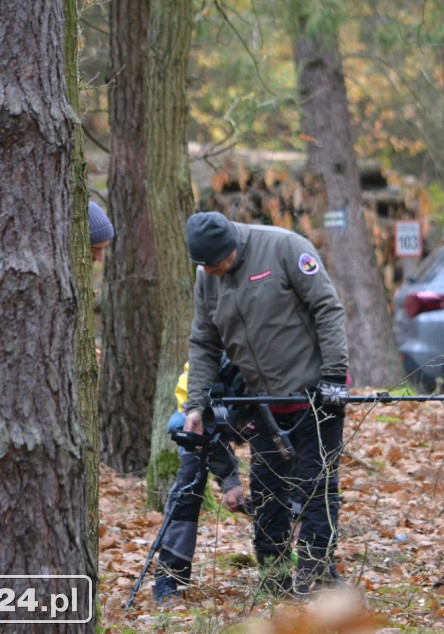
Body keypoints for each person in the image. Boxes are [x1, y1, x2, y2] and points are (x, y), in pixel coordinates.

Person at [181, 211, 350, 599]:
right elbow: (204, 342)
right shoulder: (207, 278)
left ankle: (315, 584)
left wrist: (334, 379)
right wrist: (196, 405)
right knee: (269, 497)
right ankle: (275, 585)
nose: (213, 272)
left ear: (233, 248)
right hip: (262, 405)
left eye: (217, 263)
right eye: (205, 266)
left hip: (313, 398)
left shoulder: (285, 248)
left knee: (315, 491)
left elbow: (328, 309)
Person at [153, 356, 248, 604]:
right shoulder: (203, 371)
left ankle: (288, 564)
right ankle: (168, 576)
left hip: (256, 417)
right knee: (188, 485)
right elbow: (202, 431)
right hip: (198, 418)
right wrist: (230, 481)